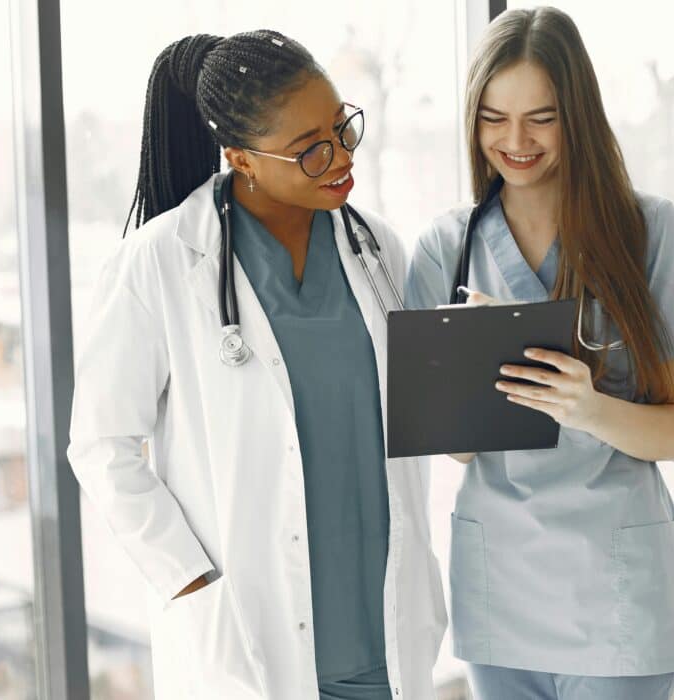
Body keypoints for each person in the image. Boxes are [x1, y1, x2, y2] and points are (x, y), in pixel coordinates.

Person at [68, 31, 446, 699]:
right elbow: (101, 447)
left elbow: (417, 409)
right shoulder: (160, 262)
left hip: (384, 632)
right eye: (310, 149)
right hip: (250, 639)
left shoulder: (376, 247)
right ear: (240, 156)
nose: (341, 156)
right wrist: (193, 582)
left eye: (342, 127)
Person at [405, 8, 674, 699]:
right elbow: (457, 453)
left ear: (577, 114)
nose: (514, 141)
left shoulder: (648, 232)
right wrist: (472, 367)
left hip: (617, 592)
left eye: (540, 117)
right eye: (493, 117)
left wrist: (585, 405)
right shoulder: (446, 246)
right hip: (502, 594)